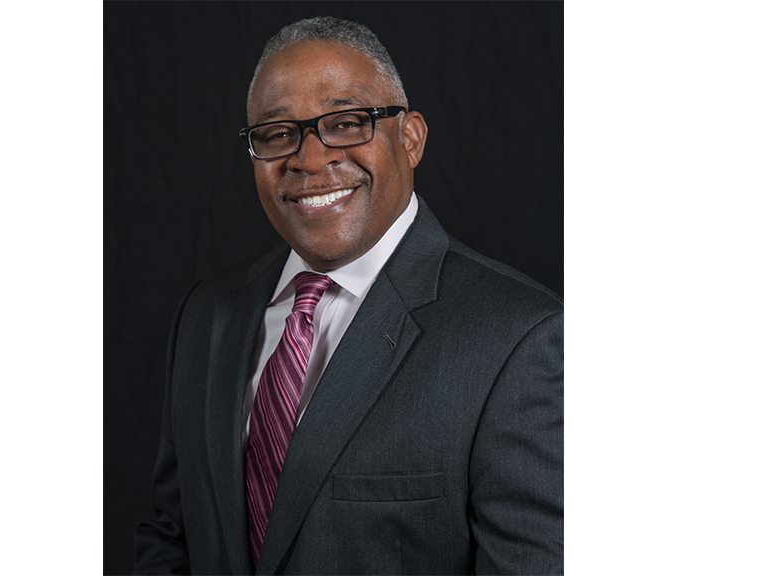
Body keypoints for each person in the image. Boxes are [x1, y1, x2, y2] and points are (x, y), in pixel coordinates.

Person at [134, 16, 562, 575]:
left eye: (345, 123)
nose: (310, 160)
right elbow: (173, 536)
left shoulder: (520, 339)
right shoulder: (207, 314)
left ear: (410, 138)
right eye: (277, 133)